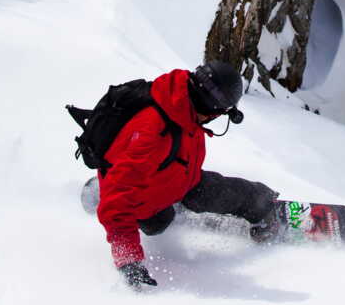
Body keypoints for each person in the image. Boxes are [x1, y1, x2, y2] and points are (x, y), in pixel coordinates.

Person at [91, 61, 280, 289]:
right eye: (221, 113)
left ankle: (263, 205)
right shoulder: (151, 130)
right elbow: (118, 196)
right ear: (213, 107)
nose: (218, 118)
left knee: (219, 192)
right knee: (158, 222)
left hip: (176, 183)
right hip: (151, 198)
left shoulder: (181, 105)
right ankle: (161, 207)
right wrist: (129, 260)